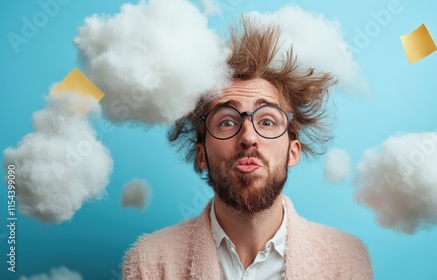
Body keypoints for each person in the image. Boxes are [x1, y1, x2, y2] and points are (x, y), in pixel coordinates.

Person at [122, 17, 373, 280]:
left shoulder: (346, 260)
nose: (248, 137)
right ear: (201, 155)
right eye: (227, 121)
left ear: (293, 151)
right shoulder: (151, 261)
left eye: (266, 120)